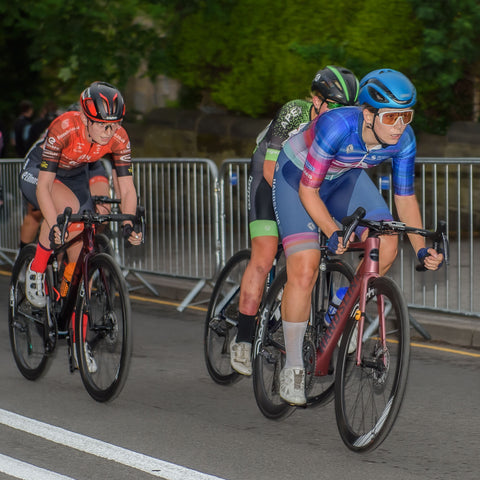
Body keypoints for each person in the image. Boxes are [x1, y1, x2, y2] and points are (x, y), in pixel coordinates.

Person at [271, 68, 444, 405]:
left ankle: (342, 303)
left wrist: (422, 250)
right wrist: (333, 230)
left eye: (406, 116)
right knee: (305, 265)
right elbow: (309, 191)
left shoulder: (404, 139)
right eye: (391, 116)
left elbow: (405, 198)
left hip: (345, 179)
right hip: (297, 178)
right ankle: (292, 364)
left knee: (388, 240)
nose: (400, 125)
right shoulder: (338, 126)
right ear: (368, 114)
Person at [229, 66, 360, 376]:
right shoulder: (294, 112)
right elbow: (272, 172)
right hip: (270, 173)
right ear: (316, 100)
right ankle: (243, 338)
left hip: (306, 182)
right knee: (263, 255)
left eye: (348, 109)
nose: (341, 115)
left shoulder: (343, 128)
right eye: (335, 107)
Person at [19, 81, 142, 309]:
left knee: (80, 254)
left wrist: (128, 221)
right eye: (103, 126)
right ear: (85, 119)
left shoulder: (119, 137)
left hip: (75, 176)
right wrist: (55, 224)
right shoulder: (64, 127)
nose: (110, 133)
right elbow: (44, 187)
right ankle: (35, 271)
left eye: (116, 125)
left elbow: (126, 188)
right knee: (64, 208)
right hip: (39, 171)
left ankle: (70, 312)